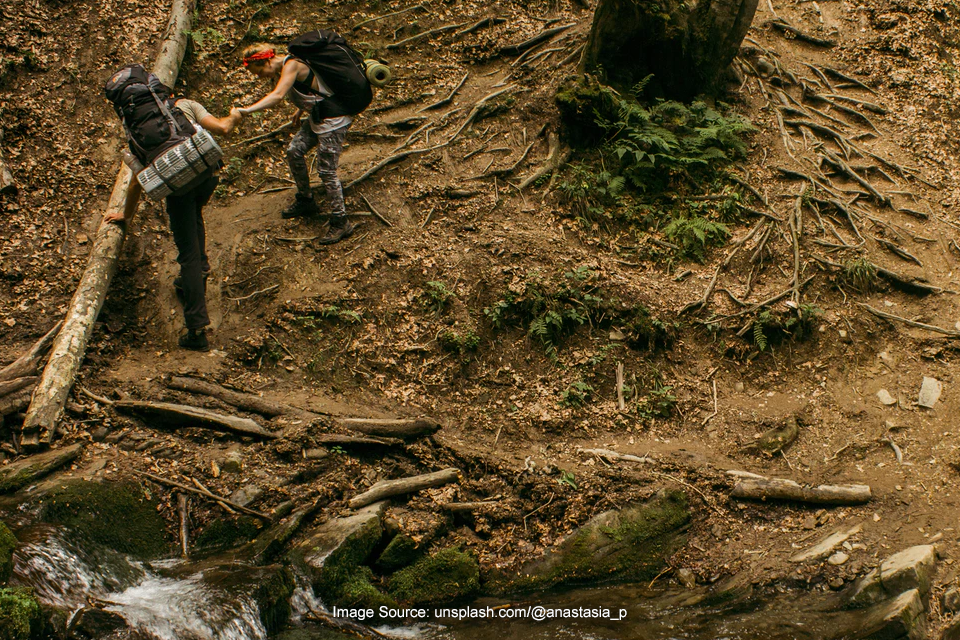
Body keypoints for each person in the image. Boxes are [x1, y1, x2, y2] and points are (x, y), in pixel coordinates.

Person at [104, 99, 241, 351]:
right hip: (207, 176)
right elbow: (222, 128)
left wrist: (126, 215)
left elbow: (136, 182)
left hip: (178, 190)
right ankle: (198, 273)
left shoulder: (137, 132)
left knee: (187, 253)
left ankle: (197, 330)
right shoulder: (184, 106)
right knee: (195, 217)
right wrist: (234, 116)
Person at [236, 43, 356, 245]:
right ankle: (306, 199)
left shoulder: (291, 64)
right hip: (319, 116)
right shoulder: (284, 68)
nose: (258, 76)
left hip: (334, 119)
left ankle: (341, 221)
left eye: (256, 71)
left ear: (264, 61)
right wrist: (300, 110)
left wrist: (245, 111)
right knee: (294, 151)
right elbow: (311, 87)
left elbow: (277, 96)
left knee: (326, 170)